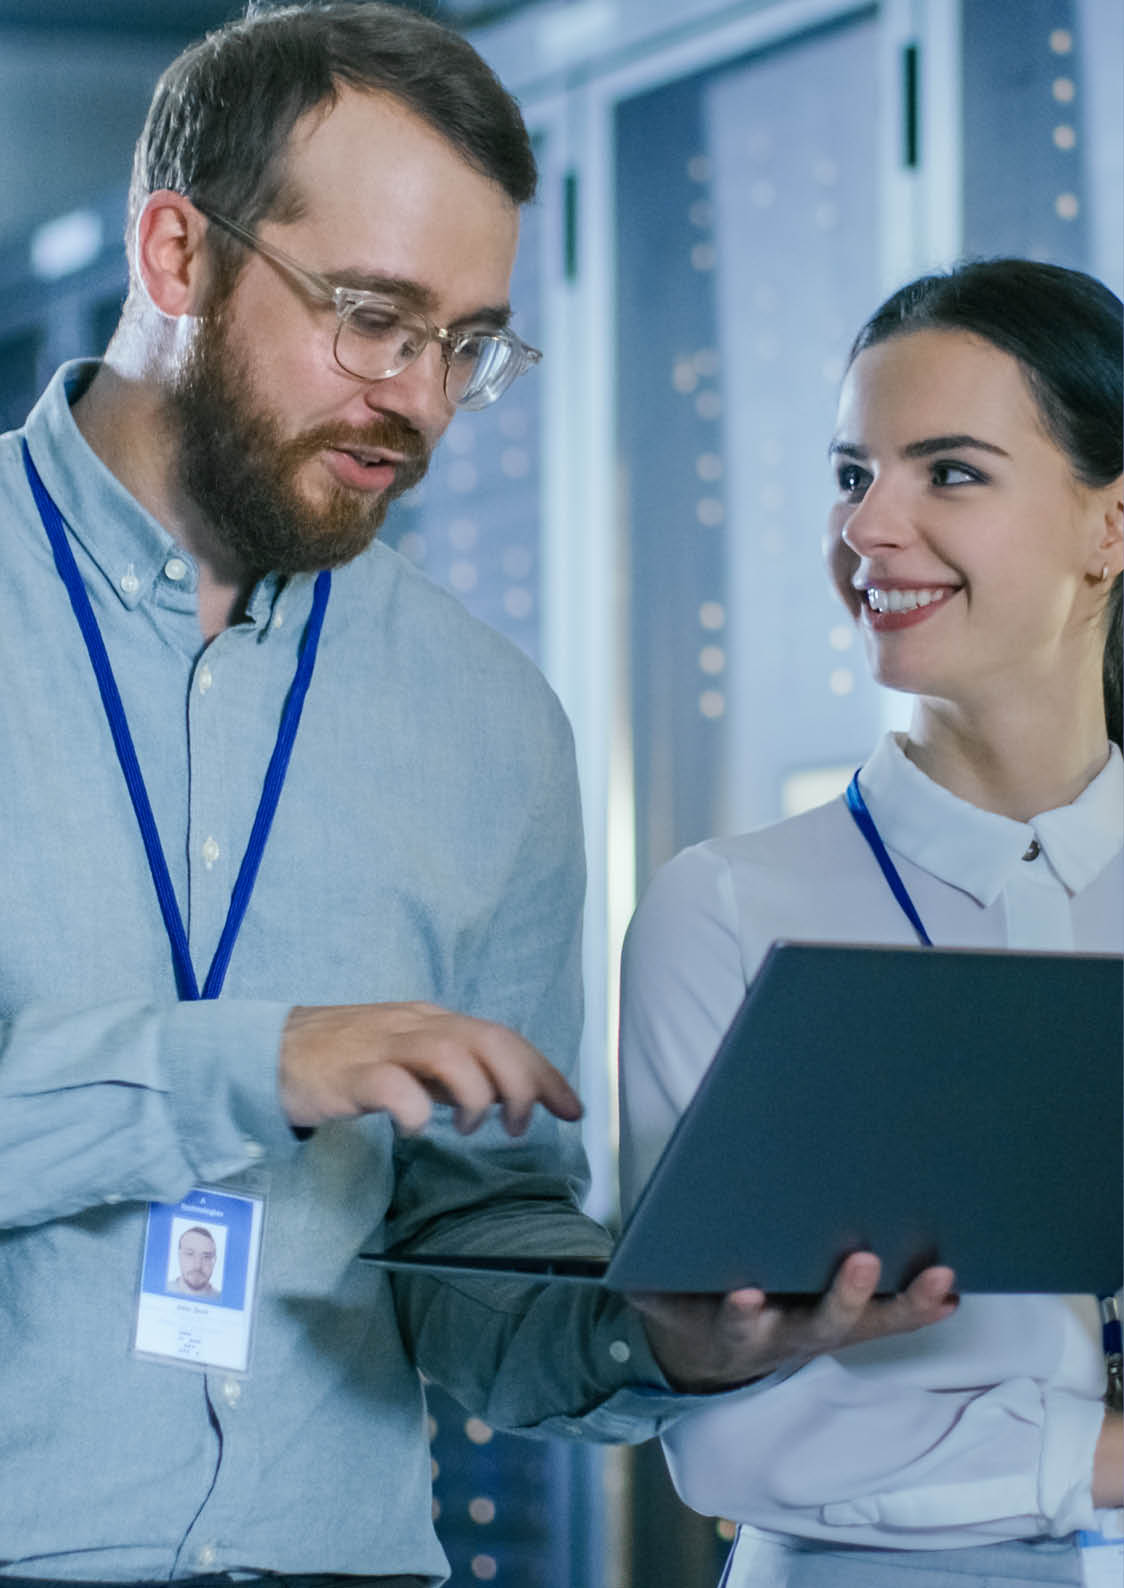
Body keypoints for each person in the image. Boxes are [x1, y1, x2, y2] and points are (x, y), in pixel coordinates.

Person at [0, 5, 956, 1584]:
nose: (425, 402)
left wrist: (661, 1337)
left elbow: (468, 1251)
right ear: (177, 256)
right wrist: (255, 1063)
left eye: (468, 346)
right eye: (373, 319)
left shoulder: (491, 721)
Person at [619, 257, 1124, 1586]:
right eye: (853, 476)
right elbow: (727, 1429)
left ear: (1108, 531)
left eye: (948, 472)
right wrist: (1096, 1459)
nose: (869, 528)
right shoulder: (729, 910)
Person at [169, 1226, 221, 1298]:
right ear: (179, 1256)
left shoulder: (220, 1298)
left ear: (214, 1261)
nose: (197, 1266)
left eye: (206, 1257)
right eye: (190, 1254)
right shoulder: (161, 1291)